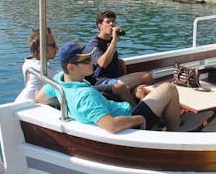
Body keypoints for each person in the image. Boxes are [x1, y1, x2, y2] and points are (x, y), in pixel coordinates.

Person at [36, 42, 181, 133]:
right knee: (168, 88)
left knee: (142, 89)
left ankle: (163, 122)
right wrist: (139, 119)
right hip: (130, 124)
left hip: (119, 111)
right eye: (86, 60)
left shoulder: (59, 81)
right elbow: (111, 125)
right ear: (71, 67)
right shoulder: (85, 97)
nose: (92, 62)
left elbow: (39, 98)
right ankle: (175, 135)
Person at [84, 10, 154, 106]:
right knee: (147, 77)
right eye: (108, 22)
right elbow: (102, 63)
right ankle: (138, 111)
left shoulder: (110, 40)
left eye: (113, 21)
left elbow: (118, 62)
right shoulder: (94, 44)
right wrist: (114, 41)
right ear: (100, 25)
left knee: (141, 90)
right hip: (103, 82)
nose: (112, 24)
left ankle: (146, 112)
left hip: (116, 78)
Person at [15, 28, 58, 104]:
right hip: (29, 106)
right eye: (53, 45)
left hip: (22, 103)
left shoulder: (29, 63)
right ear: (41, 49)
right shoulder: (41, 70)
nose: (57, 48)